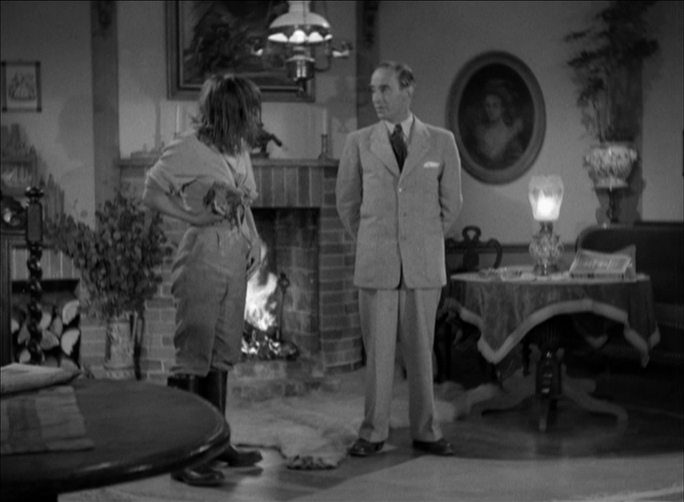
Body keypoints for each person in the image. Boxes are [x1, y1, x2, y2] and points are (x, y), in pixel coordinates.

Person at [336, 61, 463, 457]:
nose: (376, 97)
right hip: (377, 263)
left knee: (421, 354)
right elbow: (347, 203)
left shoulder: (440, 142)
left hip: (422, 265)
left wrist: (420, 239)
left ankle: (427, 431)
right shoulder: (359, 142)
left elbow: (451, 204)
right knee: (378, 356)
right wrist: (376, 240)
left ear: (408, 91)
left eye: (385, 89)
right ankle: (372, 432)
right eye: (373, 90)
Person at [142, 74, 264, 486]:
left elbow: (242, 200)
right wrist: (192, 216)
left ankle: (217, 443)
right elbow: (151, 192)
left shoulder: (239, 147)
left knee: (223, 351)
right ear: (229, 112)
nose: (255, 119)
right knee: (194, 352)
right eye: (248, 111)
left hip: (235, 254)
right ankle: (186, 456)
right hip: (202, 256)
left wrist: (255, 240)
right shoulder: (188, 147)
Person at [470, 83, 524, 169]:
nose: (490, 110)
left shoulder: (511, 137)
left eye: (495, 106)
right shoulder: (480, 133)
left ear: (503, 108)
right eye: (487, 105)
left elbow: (515, 165)